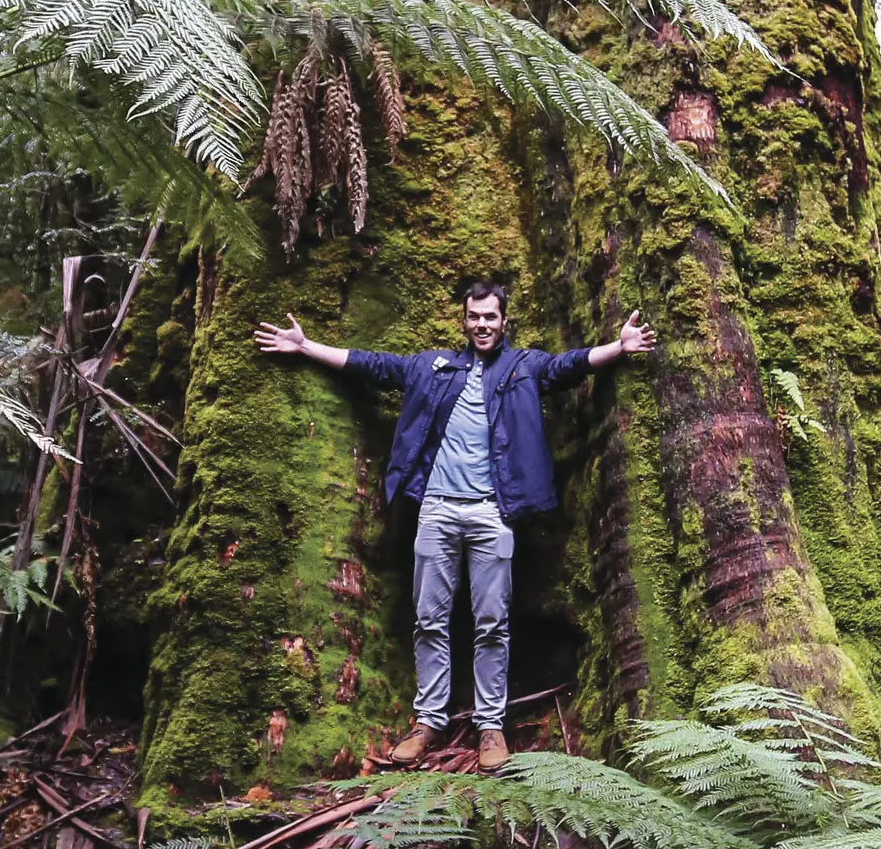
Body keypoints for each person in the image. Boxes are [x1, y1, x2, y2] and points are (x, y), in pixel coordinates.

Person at [255, 277, 656, 771]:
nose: (482, 324)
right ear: (463, 320)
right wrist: (307, 346)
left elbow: (567, 365)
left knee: (492, 622)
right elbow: (374, 366)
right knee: (430, 619)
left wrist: (618, 348)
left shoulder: (522, 367)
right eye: (474, 316)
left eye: (491, 316)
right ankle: (429, 721)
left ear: (504, 320)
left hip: (493, 511)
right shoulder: (432, 367)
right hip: (438, 509)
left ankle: (491, 727)